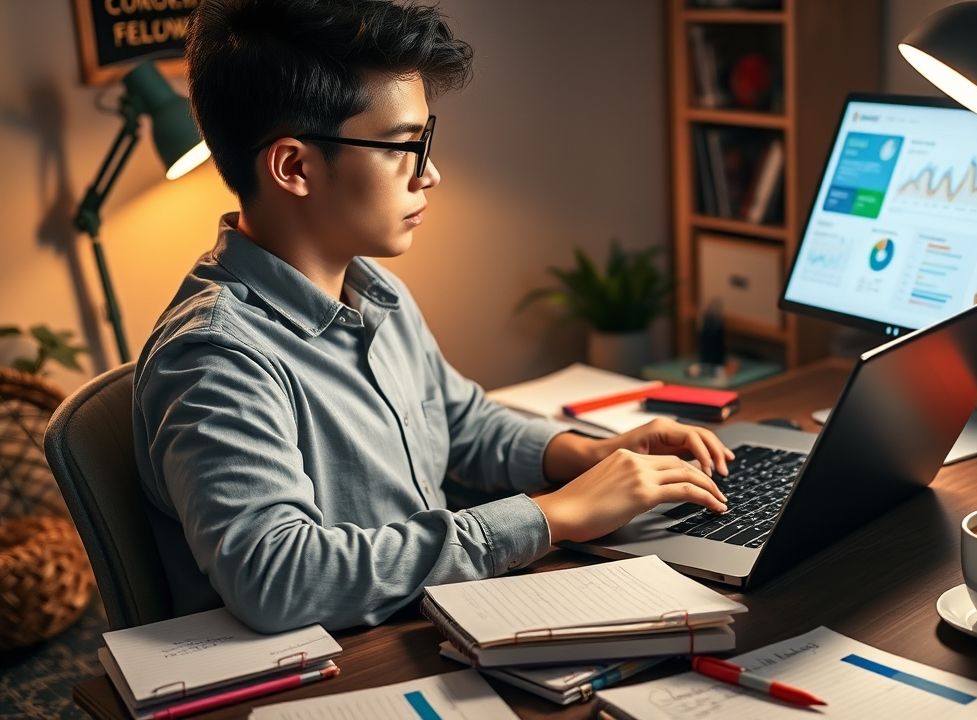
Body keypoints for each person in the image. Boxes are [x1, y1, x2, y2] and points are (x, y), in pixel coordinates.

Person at [133, 0, 731, 633]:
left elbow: (460, 423)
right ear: (294, 166)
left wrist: (590, 455)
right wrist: (552, 517)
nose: (431, 173)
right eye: (402, 148)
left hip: (435, 621)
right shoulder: (214, 358)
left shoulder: (374, 291)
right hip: (343, 670)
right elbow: (279, 576)